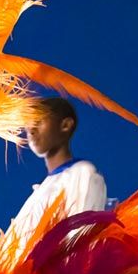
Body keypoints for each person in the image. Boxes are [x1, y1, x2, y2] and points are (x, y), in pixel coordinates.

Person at [9, 96, 108, 238]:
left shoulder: (82, 173)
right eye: (28, 125)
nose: (31, 130)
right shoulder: (39, 191)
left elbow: (80, 240)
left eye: (39, 121)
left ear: (65, 125)